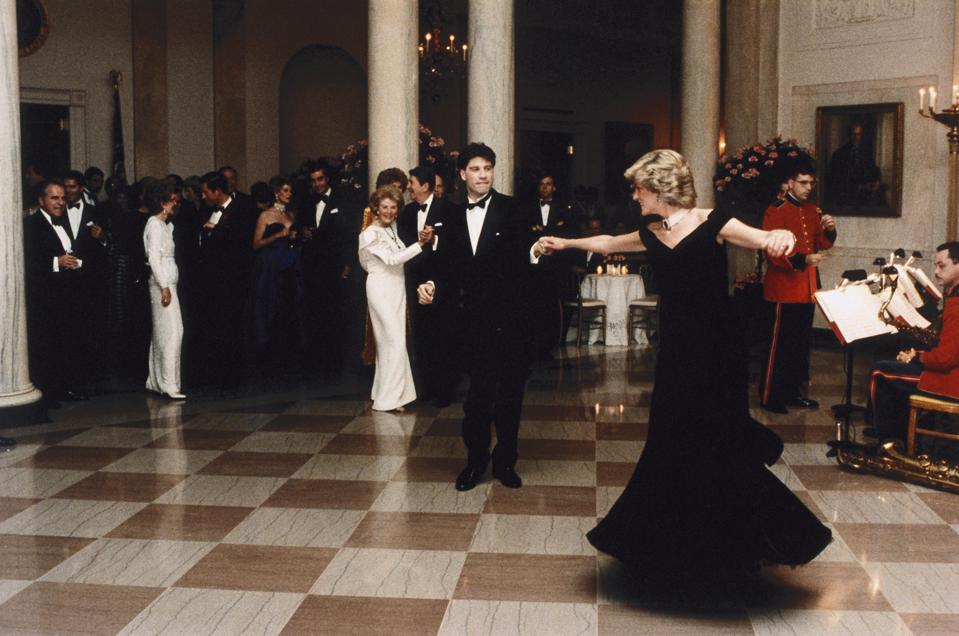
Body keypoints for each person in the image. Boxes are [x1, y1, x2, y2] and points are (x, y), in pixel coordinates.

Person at [540, 149, 831, 574]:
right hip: (676, 353)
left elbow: (760, 237)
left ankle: (735, 539)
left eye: (639, 187)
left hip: (717, 351)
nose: (634, 195)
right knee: (670, 439)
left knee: (717, 440)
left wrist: (778, 239)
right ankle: (669, 539)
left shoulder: (713, 221)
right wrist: (564, 242)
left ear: (659, 187)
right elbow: (606, 243)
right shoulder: (650, 231)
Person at [416, 142, 546, 491]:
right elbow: (445, 268)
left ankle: (506, 463)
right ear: (462, 174)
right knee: (476, 399)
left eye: (487, 168)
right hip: (470, 323)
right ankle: (475, 462)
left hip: (510, 321)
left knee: (509, 397)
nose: (483, 174)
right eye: (475, 168)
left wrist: (535, 252)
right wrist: (430, 283)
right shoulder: (451, 215)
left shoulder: (513, 208)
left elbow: (525, 255)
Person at [760, 164, 837, 413]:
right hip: (783, 288)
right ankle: (770, 397)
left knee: (799, 346)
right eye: (803, 182)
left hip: (807, 288)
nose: (808, 188)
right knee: (779, 347)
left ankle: (794, 393)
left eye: (811, 183)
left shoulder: (812, 211)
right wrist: (802, 259)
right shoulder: (776, 210)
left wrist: (830, 229)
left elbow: (821, 243)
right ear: (790, 183)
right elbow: (771, 249)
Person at [868, 242, 959, 441]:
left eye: (942, 266)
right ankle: (904, 437)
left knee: (880, 371)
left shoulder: (957, 304)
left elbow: (945, 359)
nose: (935, 271)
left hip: (952, 381)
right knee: (894, 367)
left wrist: (917, 357)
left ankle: (889, 443)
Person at [360, 186, 433, 411]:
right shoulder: (368, 234)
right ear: (376, 208)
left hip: (396, 288)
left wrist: (420, 240)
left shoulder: (391, 229)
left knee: (392, 343)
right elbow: (392, 259)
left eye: (393, 207)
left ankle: (391, 395)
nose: (389, 212)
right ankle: (387, 401)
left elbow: (400, 255)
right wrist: (420, 245)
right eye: (384, 207)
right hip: (381, 288)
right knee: (392, 342)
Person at [24, 180, 90, 405]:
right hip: (44, 298)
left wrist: (74, 263)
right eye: (54, 198)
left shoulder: (62, 224)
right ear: (41, 200)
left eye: (62, 198)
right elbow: (29, 261)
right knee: (47, 345)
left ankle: (64, 388)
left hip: (66, 295)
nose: (60, 202)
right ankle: (47, 393)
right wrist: (56, 261)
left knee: (66, 343)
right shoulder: (31, 225)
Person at [399, 165, 457, 405]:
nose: (408, 187)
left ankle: (445, 391)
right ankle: (426, 389)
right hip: (414, 280)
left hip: (441, 281)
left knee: (443, 336)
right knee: (421, 336)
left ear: (424, 185)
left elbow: (455, 246)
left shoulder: (450, 210)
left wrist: (433, 241)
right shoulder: (407, 212)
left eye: (411, 182)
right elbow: (403, 243)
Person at [198, 171, 256, 389]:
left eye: (205, 192)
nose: (203, 197)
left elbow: (244, 243)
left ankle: (234, 376)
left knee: (233, 328)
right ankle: (217, 373)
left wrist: (219, 231)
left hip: (233, 283)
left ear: (217, 191)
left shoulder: (242, 210)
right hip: (213, 284)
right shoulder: (206, 210)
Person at [296, 160, 352, 374]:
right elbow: (300, 226)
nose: (317, 184)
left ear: (327, 179)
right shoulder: (307, 201)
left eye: (320, 179)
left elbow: (348, 235)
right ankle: (316, 360)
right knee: (313, 312)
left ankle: (335, 361)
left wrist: (347, 263)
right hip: (312, 267)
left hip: (334, 266)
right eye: (313, 180)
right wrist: (303, 233)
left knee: (335, 312)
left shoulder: (342, 200)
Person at [251, 176, 302, 361]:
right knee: (270, 302)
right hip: (270, 265)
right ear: (276, 192)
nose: (289, 194)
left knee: (289, 303)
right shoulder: (265, 215)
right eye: (286, 190)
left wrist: (295, 236)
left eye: (290, 191)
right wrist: (278, 235)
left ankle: (286, 349)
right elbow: (256, 244)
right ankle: (268, 349)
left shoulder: (290, 215)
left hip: (289, 263)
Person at [143, 183, 185, 399]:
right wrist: (164, 287)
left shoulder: (164, 225)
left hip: (169, 282)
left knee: (163, 333)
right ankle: (168, 383)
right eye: (172, 200)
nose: (175, 203)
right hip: (163, 284)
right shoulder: (155, 225)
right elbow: (153, 259)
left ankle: (155, 380)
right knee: (172, 333)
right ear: (161, 202)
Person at [527, 172, 572, 359]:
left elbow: (569, 235)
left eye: (548, 184)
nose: (545, 187)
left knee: (556, 304)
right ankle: (535, 341)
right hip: (535, 265)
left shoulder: (563, 209)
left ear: (554, 187)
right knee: (535, 303)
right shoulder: (529, 209)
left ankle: (555, 340)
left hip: (557, 266)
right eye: (542, 184)